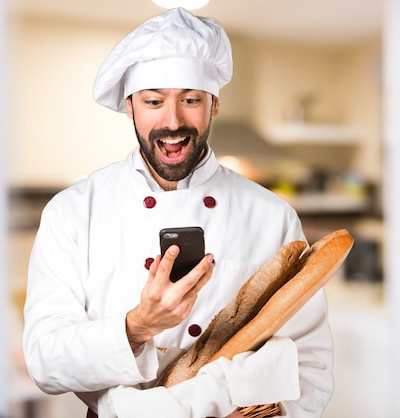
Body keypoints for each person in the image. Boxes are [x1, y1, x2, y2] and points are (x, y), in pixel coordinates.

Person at [22, 7, 333, 418]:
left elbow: (310, 367)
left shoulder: (271, 215)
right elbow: (45, 361)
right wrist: (138, 326)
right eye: (153, 101)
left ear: (214, 105)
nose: (173, 121)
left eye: (190, 100)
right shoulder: (73, 212)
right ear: (130, 106)